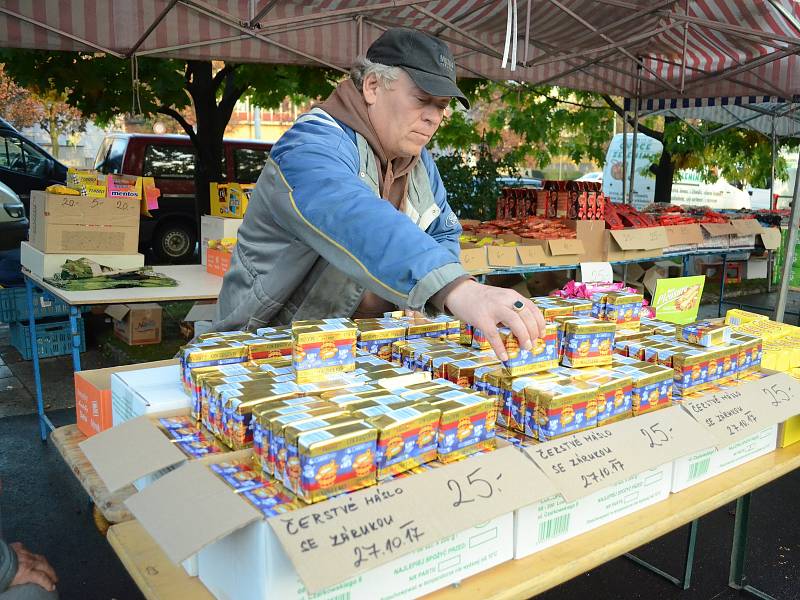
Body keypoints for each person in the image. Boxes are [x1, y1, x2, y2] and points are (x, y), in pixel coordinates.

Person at [215, 27, 545, 359]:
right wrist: (457, 289)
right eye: (422, 99)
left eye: (442, 106)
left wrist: (432, 295)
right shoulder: (310, 145)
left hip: (343, 349)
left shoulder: (417, 160)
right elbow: (358, 218)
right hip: (263, 347)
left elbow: (441, 233)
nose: (433, 117)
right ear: (372, 86)